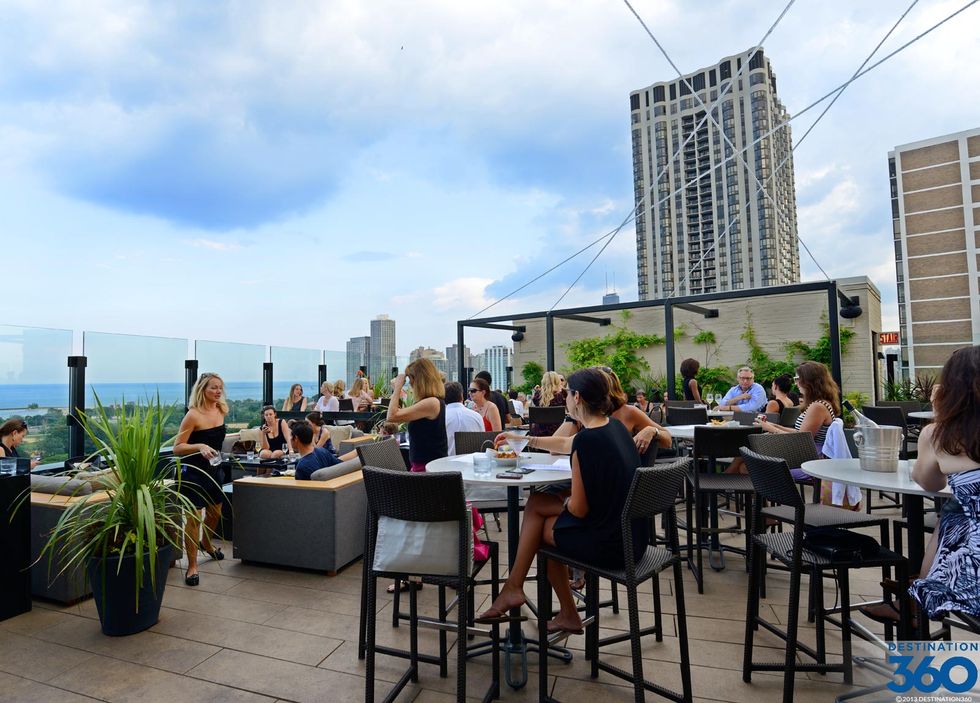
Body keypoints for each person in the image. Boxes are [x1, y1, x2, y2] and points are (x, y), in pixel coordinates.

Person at [477, 367, 647, 634]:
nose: (564, 397)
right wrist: (524, 439)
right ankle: (521, 592)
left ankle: (522, 592)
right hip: (634, 537)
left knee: (539, 527)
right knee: (537, 503)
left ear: (577, 397)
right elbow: (566, 444)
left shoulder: (588, 441)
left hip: (612, 545)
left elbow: (579, 509)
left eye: (567, 393)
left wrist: (566, 500)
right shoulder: (613, 426)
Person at [907, 346, 980, 620]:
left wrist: (939, 414)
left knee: (952, 514)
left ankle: (918, 601)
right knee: (957, 511)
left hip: (972, 579)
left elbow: (929, 483)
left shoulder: (939, 434)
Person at [173, 372, 228, 587]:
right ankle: (192, 566)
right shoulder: (193, 415)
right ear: (202, 389)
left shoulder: (221, 410)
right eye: (213, 387)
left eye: (220, 387)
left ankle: (206, 542)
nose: (218, 391)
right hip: (193, 473)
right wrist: (200, 446)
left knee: (215, 513)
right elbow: (178, 448)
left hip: (214, 470)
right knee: (194, 518)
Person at [387, 357, 447, 472]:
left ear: (418, 380)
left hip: (427, 470)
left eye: (410, 379)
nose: (410, 383)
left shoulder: (432, 403)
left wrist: (398, 387)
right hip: (424, 467)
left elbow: (391, 416)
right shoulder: (432, 402)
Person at [444, 381, 484, 455]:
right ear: (461, 396)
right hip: (473, 460)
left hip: (447, 461)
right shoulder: (477, 416)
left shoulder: (441, 418)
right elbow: (483, 441)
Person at [530, 371, 567, 436]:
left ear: (543, 382)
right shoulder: (562, 395)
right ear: (557, 381)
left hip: (538, 433)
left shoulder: (537, 395)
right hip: (557, 432)